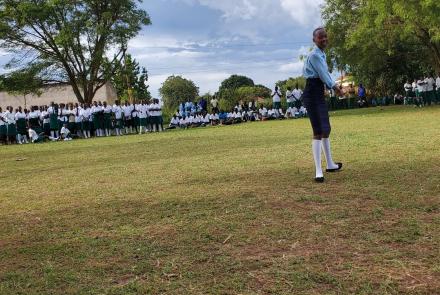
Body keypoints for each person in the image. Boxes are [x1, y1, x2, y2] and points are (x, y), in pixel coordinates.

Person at [302, 27, 343, 182]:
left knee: (326, 129)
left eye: (325, 37)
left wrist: (329, 86)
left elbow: (324, 75)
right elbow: (323, 74)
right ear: (314, 40)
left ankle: (330, 164)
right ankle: (318, 171)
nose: (324, 39)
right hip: (312, 93)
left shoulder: (321, 54)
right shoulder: (314, 55)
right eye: (320, 37)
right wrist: (335, 87)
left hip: (318, 92)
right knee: (318, 131)